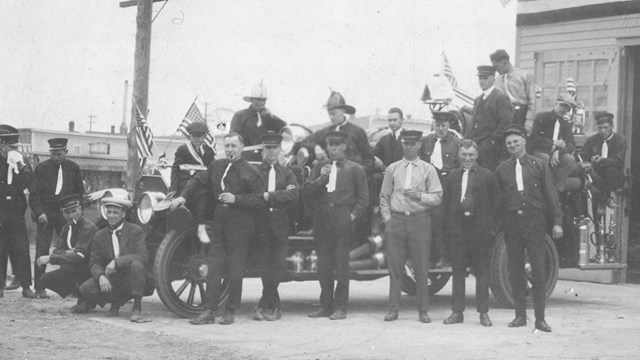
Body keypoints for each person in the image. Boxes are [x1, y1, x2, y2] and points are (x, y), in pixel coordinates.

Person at [176, 133, 264, 325]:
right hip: (220, 220)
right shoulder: (217, 165)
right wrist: (183, 196)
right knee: (213, 265)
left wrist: (237, 199)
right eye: (227, 146)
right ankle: (209, 311)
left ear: (241, 148)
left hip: (241, 222)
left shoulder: (251, 171)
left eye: (234, 146)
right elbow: (198, 180)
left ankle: (231, 310)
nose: (230, 150)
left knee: (235, 268)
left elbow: (259, 200)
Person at [495, 124, 563, 333]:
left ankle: (540, 319)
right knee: (515, 270)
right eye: (509, 143)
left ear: (524, 141)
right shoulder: (501, 169)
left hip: (534, 221)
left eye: (516, 141)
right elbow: (497, 200)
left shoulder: (539, 165)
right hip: (511, 222)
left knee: (538, 270)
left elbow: (551, 195)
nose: (513, 145)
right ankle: (520, 316)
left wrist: (558, 222)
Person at [304, 131, 368, 320]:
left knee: (341, 265)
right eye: (330, 145)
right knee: (323, 264)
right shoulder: (319, 167)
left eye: (336, 145)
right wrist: (321, 179)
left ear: (344, 147)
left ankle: (340, 307)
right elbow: (307, 193)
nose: (332, 149)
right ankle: (325, 305)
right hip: (322, 217)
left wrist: (352, 216)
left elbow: (363, 198)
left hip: (342, 216)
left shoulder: (355, 169)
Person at [379, 130, 442, 324]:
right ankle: (393, 309)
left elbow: (438, 196)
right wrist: (388, 219)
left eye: (413, 144)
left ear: (419, 145)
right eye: (406, 143)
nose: (409, 147)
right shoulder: (393, 168)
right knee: (395, 267)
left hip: (419, 220)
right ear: (402, 145)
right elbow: (384, 197)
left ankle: (423, 310)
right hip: (397, 221)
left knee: (421, 267)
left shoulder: (428, 169)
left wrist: (420, 196)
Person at [442, 139, 499, 327]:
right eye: (464, 155)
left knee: (482, 273)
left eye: (471, 155)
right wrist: (449, 227)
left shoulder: (487, 176)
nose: (467, 158)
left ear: (477, 156)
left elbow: (495, 204)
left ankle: (483, 313)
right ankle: (457, 312)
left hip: (479, 231)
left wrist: (489, 228)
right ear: (459, 155)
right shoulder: (451, 176)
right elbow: (446, 203)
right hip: (458, 231)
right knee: (458, 272)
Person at [78, 197, 149, 322]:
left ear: (123, 214)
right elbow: (94, 262)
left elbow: (142, 256)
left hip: (131, 276)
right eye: (109, 212)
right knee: (86, 288)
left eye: (115, 212)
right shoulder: (100, 235)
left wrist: (117, 262)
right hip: (113, 277)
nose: (111, 216)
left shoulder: (135, 231)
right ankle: (116, 301)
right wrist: (101, 277)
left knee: (137, 265)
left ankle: (137, 308)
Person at [30, 137, 84, 299]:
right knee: (42, 249)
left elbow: (79, 192)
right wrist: (40, 213)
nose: (56, 157)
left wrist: (72, 213)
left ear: (66, 152)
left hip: (65, 215)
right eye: (53, 153)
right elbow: (34, 194)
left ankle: (71, 287)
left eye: (59, 154)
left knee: (70, 250)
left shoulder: (73, 168)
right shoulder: (40, 168)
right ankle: (39, 287)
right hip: (45, 215)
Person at [253, 132, 299, 321]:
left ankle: (264, 303)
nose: (271, 152)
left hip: (280, 223)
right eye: (268, 148)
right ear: (263, 150)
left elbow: (295, 194)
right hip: (262, 223)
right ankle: (275, 305)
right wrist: (281, 194)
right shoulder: (255, 172)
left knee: (278, 264)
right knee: (265, 265)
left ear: (280, 149)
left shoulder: (287, 172)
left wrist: (271, 196)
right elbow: (255, 195)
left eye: (274, 148)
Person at [35, 194, 97, 312]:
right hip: (73, 266)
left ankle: (87, 299)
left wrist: (51, 259)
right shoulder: (67, 227)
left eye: (74, 211)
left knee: (70, 268)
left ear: (80, 209)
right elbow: (57, 249)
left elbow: (79, 257)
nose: (71, 215)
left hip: (89, 268)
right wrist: (69, 252)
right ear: (62, 214)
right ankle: (78, 293)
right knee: (44, 279)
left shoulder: (88, 228)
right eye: (67, 213)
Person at [302, 91, 375, 177]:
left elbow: (369, 160)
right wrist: (316, 147)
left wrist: (357, 174)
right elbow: (305, 141)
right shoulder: (325, 132)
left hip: (351, 179)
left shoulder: (358, 132)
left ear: (343, 111)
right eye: (329, 114)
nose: (331, 117)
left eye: (333, 114)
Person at [421, 111, 460, 268]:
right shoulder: (425, 141)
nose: (441, 129)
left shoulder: (456, 143)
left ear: (449, 126)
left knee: (440, 221)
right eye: (438, 125)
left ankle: (442, 257)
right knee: (425, 221)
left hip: (446, 185)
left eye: (444, 126)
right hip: (428, 184)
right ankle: (427, 256)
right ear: (433, 125)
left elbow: (459, 166)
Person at [0, 124, 35, 299]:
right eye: (10, 147)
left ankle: (26, 285)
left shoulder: (22, 161)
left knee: (21, 246)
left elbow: (30, 182)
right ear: (1, 145)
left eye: (15, 147)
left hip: (16, 207)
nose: (14, 150)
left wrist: (20, 165)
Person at [170, 121, 216, 242]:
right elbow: (175, 171)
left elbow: (212, 169)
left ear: (205, 137)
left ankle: (201, 225)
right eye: (194, 136)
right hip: (186, 183)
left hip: (202, 183)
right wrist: (173, 189)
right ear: (190, 136)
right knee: (200, 194)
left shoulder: (209, 151)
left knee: (205, 194)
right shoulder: (183, 149)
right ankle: (198, 225)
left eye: (200, 136)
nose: (197, 139)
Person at [528, 94, 582, 192]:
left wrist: (558, 152)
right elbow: (534, 139)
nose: (564, 109)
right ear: (555, 103)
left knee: (570, 159)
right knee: (545, 158)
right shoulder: (542, 118)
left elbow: (571, 145)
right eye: (562, 105)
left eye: (567, 108)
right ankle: (541, 188)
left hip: (556, 153)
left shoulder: (566, 124)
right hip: (540, 151)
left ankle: (557, 189)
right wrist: (553, 142)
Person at [466, 65, 513, 171]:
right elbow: (473, 123)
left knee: (487, 175)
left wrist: (492, 141)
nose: (482, 81)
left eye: (485, 78)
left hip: (490, 148)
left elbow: (505, 122)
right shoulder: (477, 100)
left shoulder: (501, 98)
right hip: (474, 145)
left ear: (493, 78)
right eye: (480, 78)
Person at [580, 112, 627, 207]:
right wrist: (589, 162)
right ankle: (605, 199)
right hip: (596, 175)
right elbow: (582, 157)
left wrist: (602, 161)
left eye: (605, 127)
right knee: (586, 171)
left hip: (614, 176)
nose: (602, 131)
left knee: (609, 170)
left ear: (612, 126)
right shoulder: (592, 140)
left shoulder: (620, 140)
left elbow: (618, 161)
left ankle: (603, 199)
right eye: (600, 128)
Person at [490, 49, 536, 131]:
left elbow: (532, 101)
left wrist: (529, 121)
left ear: (505, 62)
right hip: (503, 116)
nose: (496, 70)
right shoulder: (498, 80)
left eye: (497, 66)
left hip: (520, 115)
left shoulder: (524, 75)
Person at [230, 82, 286, 147]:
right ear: (251, 100)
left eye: (263, 100)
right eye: (258, 99)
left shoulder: (269, 117)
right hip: (245, 154)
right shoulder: (240, 116)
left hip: (265, 154)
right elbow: (232, 138)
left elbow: (285, 129)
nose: (261, 103)